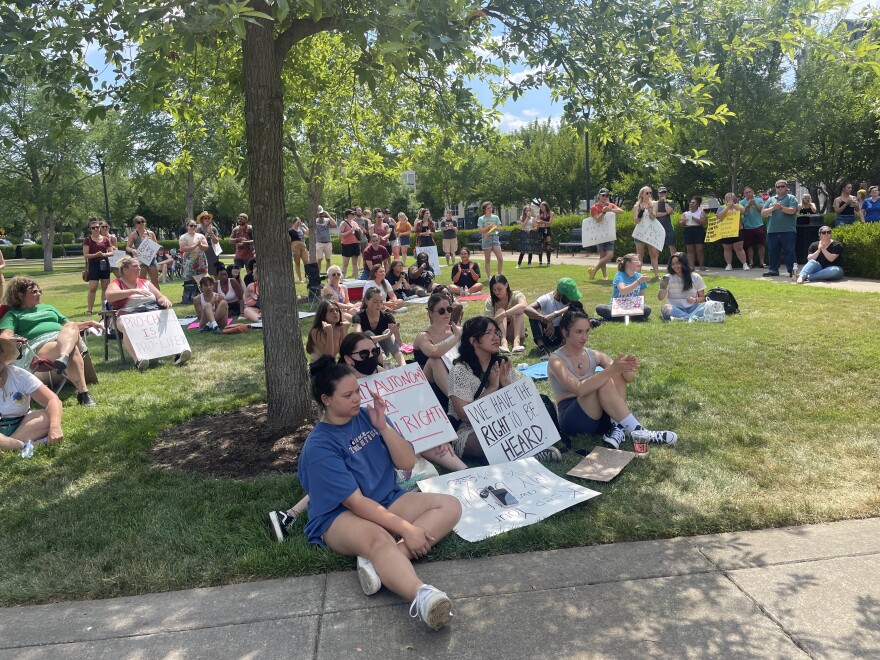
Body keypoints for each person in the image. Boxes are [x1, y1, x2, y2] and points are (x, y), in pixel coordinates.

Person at [294, 355, 460, 629]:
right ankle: (423, 596)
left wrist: (382, 426)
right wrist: (407, 529)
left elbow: (406, 463)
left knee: (450, 506)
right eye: (348, 395)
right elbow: (357, 504)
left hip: (386, 498)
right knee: (379, 537)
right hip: (338, 516)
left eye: (357, 391)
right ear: (326, 399)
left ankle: (379, 565)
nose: (357, 398)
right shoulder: (319, 447)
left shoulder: (368, 416)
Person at [548, 302, 677, 448]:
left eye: (587, 331)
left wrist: (626, 368)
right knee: (605, 378)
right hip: (572, 419)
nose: (584, 337)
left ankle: (617, 428)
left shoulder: (593, 354)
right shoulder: (556, 360)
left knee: (613, 374)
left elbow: (628, 379)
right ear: (565, 332)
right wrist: (611, 370)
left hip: (599, 416)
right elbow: (579, 389)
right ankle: (640, 432)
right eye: (579, 332)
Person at [447, 316, 561, 462]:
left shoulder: (502, 363)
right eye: (488, 333)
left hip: (508, 423)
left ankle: (530, 451)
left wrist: (505, 382)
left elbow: (521, 403)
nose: (495, 337)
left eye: (496, 332)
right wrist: (493, 387)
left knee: (542, 407)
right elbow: (464, 415)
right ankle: (532, 453)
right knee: (488, 443)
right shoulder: (460, 371)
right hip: (471, 430)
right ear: (473, 341)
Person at [0, 277, 101, 405]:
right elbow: (5, 336)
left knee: (70, 326)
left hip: (63, 338)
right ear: (20, 295)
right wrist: (14, 339)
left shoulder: (48, 308)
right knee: (72, 350)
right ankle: (83, 393)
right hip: (39, 345)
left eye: (39, 291)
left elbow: (69, 324)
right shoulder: (13, 315)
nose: (39, 294)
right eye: (34, 292)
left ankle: (63, 356)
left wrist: (90, 322)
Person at [105, 258, 189, 369]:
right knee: (126, 326)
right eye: (135, 266)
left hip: (151, 312)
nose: (139, 268)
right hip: (127, 314)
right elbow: (110, 296)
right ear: (125, 270)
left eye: (139, 266)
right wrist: (133, 291)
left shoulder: (146, 283)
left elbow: (160, 296)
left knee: (168, 319)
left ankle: (178, 354)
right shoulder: (116, 283)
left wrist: (164, 300)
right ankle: (138, 361)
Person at [0, 337, 63, 452]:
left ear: (3, 356)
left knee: (47, 417)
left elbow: (52, 400)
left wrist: (55, 427)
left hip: (22, 426)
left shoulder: (18, 375)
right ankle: (20, 446)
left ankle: (8, 445)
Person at [412, 293, 462, 398]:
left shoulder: (455, 330)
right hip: (430, 386)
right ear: (430, 313)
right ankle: (456, 402)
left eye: (449, 309)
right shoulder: (424, 336)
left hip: (456, 377)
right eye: (441, 311)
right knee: (435, 360)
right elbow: (434, 352)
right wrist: (456, 337)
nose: (446, 313)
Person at [524, 277, 579, 358]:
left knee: (572, 313)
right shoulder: (546, 299)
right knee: (533, 317)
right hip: (546, 333)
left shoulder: (568, 301)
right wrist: (545, 320)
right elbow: (527, 309)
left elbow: (578, 306)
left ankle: (564, 344)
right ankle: (542, 348)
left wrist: (555, 314)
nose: (571, 300)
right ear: (561, 295)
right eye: (569, 297)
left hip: (560, 333)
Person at [351, 288, 405, 367]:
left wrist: (396, 332)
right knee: (368, 334)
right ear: (366, 301)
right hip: (367, 354)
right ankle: (389, 366)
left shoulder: (388, 316)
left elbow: (399, 344)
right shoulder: (358, 316)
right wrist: (385, 336)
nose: (379, 305)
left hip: (383, 350)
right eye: (375, 302)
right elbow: (358, 337)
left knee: (387, 331)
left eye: (381, 302)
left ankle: (403, 365)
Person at [595, 254, 653, 322]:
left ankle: (619, 317)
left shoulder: (639, 276)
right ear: (628, 264)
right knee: (600, 308)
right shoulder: (620, 275)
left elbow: (641, 297)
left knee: (647, 309)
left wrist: (637, 306)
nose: (639, 263)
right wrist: (639, 281)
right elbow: (623, 291)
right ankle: (631, 317)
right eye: (636, 261)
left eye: (639, 261)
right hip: (617, 306)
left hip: (632, 307)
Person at [761, 180, 799, 277]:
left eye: (782, 186)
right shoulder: (771, 199)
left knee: (789, 251)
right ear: (776, 188)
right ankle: (773, 270)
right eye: (778, 187)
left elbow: (793, 210)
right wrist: (773, 208)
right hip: (772, 230)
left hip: (788, 230)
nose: (780, 188)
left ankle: (792, 271)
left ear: (786, 187)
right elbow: (763, 213)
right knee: (773, 251)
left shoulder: (791, 198)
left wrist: (780, 207)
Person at [484, 274, 527, 354]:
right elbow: (487, 323)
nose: (496, 292)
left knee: (518, 311)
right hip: (498, 333)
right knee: (500, 310)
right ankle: (504, 343)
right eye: (494, 290)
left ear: (506, 285)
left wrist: (504, 314)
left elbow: (524, 306)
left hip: (515, 330)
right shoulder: (490, 301)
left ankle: (516, 342)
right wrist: (499, 317)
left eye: (499, 289)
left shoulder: (516, 295)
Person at [658, 252, 707, 321]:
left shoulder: (696, 277)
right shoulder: (666, 278)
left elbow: (702, 298)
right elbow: (660, 298)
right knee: (665, 308)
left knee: (707, 307)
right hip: (674, 308)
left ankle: (683, 317)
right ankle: (689, 317)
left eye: (678, 263)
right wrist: (663, 287)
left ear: (684, 263)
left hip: (692, 307)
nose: (675, 266)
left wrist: (695, 300)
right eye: (673, 264)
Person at [588, 188, 623, 280]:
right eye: (603, 195)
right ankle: (604, 276)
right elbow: (598, 220)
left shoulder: (610, 205)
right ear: (598, 196)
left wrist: (610, 210)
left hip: (609, 233)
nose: (605, 197)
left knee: (610, 255)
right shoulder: (594, 207)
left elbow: (621, 211)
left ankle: (594, 270)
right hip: (599, 234)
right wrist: (603, 212)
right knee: (602, 256)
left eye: (607, 195)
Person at [83, 217, 112, 314]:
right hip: (93, 264)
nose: (95, 229)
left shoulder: (106, 239)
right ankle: (89, 310)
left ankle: (104, 308)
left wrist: (104, 254)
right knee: (93, 287)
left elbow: (111, 252)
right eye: (93, 228)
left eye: (97, 227)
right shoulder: (88, 240)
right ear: (89, 229)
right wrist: (95, 255)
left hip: (104, 264)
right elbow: (86, 254)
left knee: (105, 286)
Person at [633, 186, 661, 278]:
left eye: (650, 193)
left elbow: (653, 217)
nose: (649, 194)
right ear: (642, 194)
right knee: (639, 255)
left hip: (651, 233)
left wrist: (649, 209)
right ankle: (638, 275)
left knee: (653, 254)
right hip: (640, 233)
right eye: (647, 193)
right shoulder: (636, 206)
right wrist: (640, 212)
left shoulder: (654, 204)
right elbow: (636, 221)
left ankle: (656, 275)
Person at [125, 215, 160, 288]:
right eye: (138, 222)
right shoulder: (133, 234)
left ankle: (157, 298)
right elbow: (127, 247)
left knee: (155, 281)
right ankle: (144, 298)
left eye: (142, 221)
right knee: (142, 282)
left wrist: (153, 245)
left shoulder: (150, 233)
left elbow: (156, 245)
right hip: (140, 260)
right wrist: (132, 250)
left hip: (151, 259)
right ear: (135, 224)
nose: (141, 223)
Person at [716, 192, 749, 271]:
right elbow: (719, 216)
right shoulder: (722, 207)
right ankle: (729, 264)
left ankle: (744, 264)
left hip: (738, 230)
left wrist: (733, 205)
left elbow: (742, 211)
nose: (730, 199)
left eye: (732, 198)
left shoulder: (738, 205)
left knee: (739, 248)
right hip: (726, 231)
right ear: (725, 199)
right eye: (728, 198)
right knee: (727, 248)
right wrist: (727, 207)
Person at [740, 186, 767, 268]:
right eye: (746, 193)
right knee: (749, 246)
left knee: (761, 245)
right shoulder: (741, 202)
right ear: (744, 194)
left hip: (758, 225)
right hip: (748, 227)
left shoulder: (759, 200)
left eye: (750, 192)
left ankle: (762, 262)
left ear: (753, 192)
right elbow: (742, 213)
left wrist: (754, 203)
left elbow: (762, 210)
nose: (748, 194)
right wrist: (748, 205)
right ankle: (751, 263)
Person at [680, 196, 707, 271]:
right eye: (690, 202)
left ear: (697, 204)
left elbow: (703, 222)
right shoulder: (685, 213)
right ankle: (691, 267)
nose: (691, 204)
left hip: (698, 230)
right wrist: (683, 221)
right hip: (688, 230)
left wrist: (694, 218)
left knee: (699, 249)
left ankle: (702, 266)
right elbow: (681, 223)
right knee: (690, 250)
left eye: (693, 202)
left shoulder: (701, 212)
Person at [179, 218, 210, 284]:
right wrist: (196, 245)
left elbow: (206, 247)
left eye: (195, 225)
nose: (193, 227)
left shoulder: (200, 236)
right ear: (187, 227)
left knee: (203, 279)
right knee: (190, 278)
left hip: (201, 258)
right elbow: (184, 248)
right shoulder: (183, 237)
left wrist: (200, 245)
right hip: (190, 259)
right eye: (191, 225)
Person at [477, 200, 503, 274]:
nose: (490, 209)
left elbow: (500, 229)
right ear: (485, 209)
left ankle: (499, 275)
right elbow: (480, 230)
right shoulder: (481, 219)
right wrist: (488, 227)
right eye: (488, 208)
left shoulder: (495, 217)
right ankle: (489, 277)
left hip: (494, 238)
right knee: (488, 260)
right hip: (486, 238)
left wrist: (495, 228)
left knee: (500, 259)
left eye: (491, 207)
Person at [339, 209, 363, 279]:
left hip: (355, 244)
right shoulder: (343, 223)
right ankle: (341, 279)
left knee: (355, 263)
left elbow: (359, 231)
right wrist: (350, 231)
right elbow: (340, 235)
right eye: (352, 214)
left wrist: (359, 230)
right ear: (348, 215)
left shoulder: (354, 223)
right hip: (347, 245)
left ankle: (356, 278)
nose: (353, 215)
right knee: (345, 263)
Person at [654, 187, 677, 259]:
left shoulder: (670, 201)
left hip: (669, 227)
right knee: (657, 246)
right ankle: (655, 264)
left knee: (672, 245)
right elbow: (655, 214)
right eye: (660, 193)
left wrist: (665, 202)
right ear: (658, 194)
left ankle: (674, 262)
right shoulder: (655, 203)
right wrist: (666, 213)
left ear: (666, 193)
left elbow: (670, 211)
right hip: (658, 227)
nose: (662, 194)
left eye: (664, 192)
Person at [313, 206, 336, 271]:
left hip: (328, 242)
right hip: (319, 243)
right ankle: (317, 275)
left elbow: (334, 224)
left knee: (328, 259)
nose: (321, 216)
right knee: (319, 259)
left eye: (322, 214)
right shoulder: (315, 221)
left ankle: (328, 275)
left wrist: (328, 215)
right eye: (320, 215)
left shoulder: (327, 220)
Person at [288, 216, 308, 283]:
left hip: (303, 246)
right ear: (294, 222)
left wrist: (304, 225)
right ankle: (300, 279)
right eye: (298, 221)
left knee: (306, 262)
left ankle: (307, 277)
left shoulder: (301, 229)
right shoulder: (290, 231)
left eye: (300, 221)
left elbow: (308, 232)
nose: (299, 222)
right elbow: (289, 240)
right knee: (297, 263)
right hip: (295, 246)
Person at [536, 201, 554, 266]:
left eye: (542, 207)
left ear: (546, 206)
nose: (541, 208)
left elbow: (550, 223)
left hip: (547, 230)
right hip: (540, 230)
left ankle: (548, 262)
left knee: (548, 245)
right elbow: (537, 223)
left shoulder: (551, 213)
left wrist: (542, 221)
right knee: (540, 246)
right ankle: (540, 262)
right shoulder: (539, 215)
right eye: (540, 207)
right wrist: (538, 223)